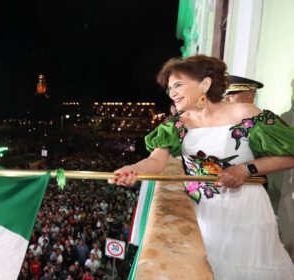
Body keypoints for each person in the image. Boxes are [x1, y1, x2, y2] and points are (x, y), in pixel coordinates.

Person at [109, 54, 294, 279]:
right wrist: (135, 169)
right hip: (203, 214)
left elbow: (289, 155)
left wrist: (246, 169)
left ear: (205, 84)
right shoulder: (177, 124)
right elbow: (156, 161)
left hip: (247, 214)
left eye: (178, 85)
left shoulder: (246, 114)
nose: (172, 93)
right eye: (169, 88)